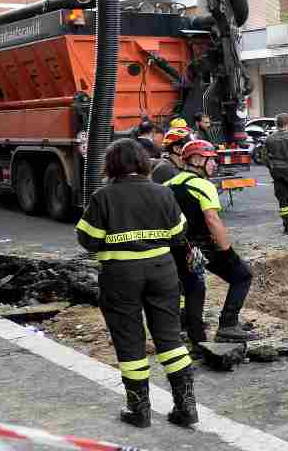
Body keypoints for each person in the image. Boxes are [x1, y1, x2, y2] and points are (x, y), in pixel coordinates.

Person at [76, 139, 196, 429]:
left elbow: (86, 239)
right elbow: (179, 233)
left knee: (129, 340)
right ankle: (186, 407)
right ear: (144, 163)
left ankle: (139, 410)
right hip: (162, 271)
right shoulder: (162, 193)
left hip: (120, 275)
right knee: (170, 338)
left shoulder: (103, 196)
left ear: (112, 165)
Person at [165, 139, 255, 343]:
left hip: (175, 247)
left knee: (194, 289)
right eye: (210, 159)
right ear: (196, 160)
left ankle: (196, 339)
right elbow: (212, 220)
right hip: (199, 248)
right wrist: (227, 251)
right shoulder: (203, 185)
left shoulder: (168, 184)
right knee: (242, 275)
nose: (215, 164)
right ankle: (228, 325)